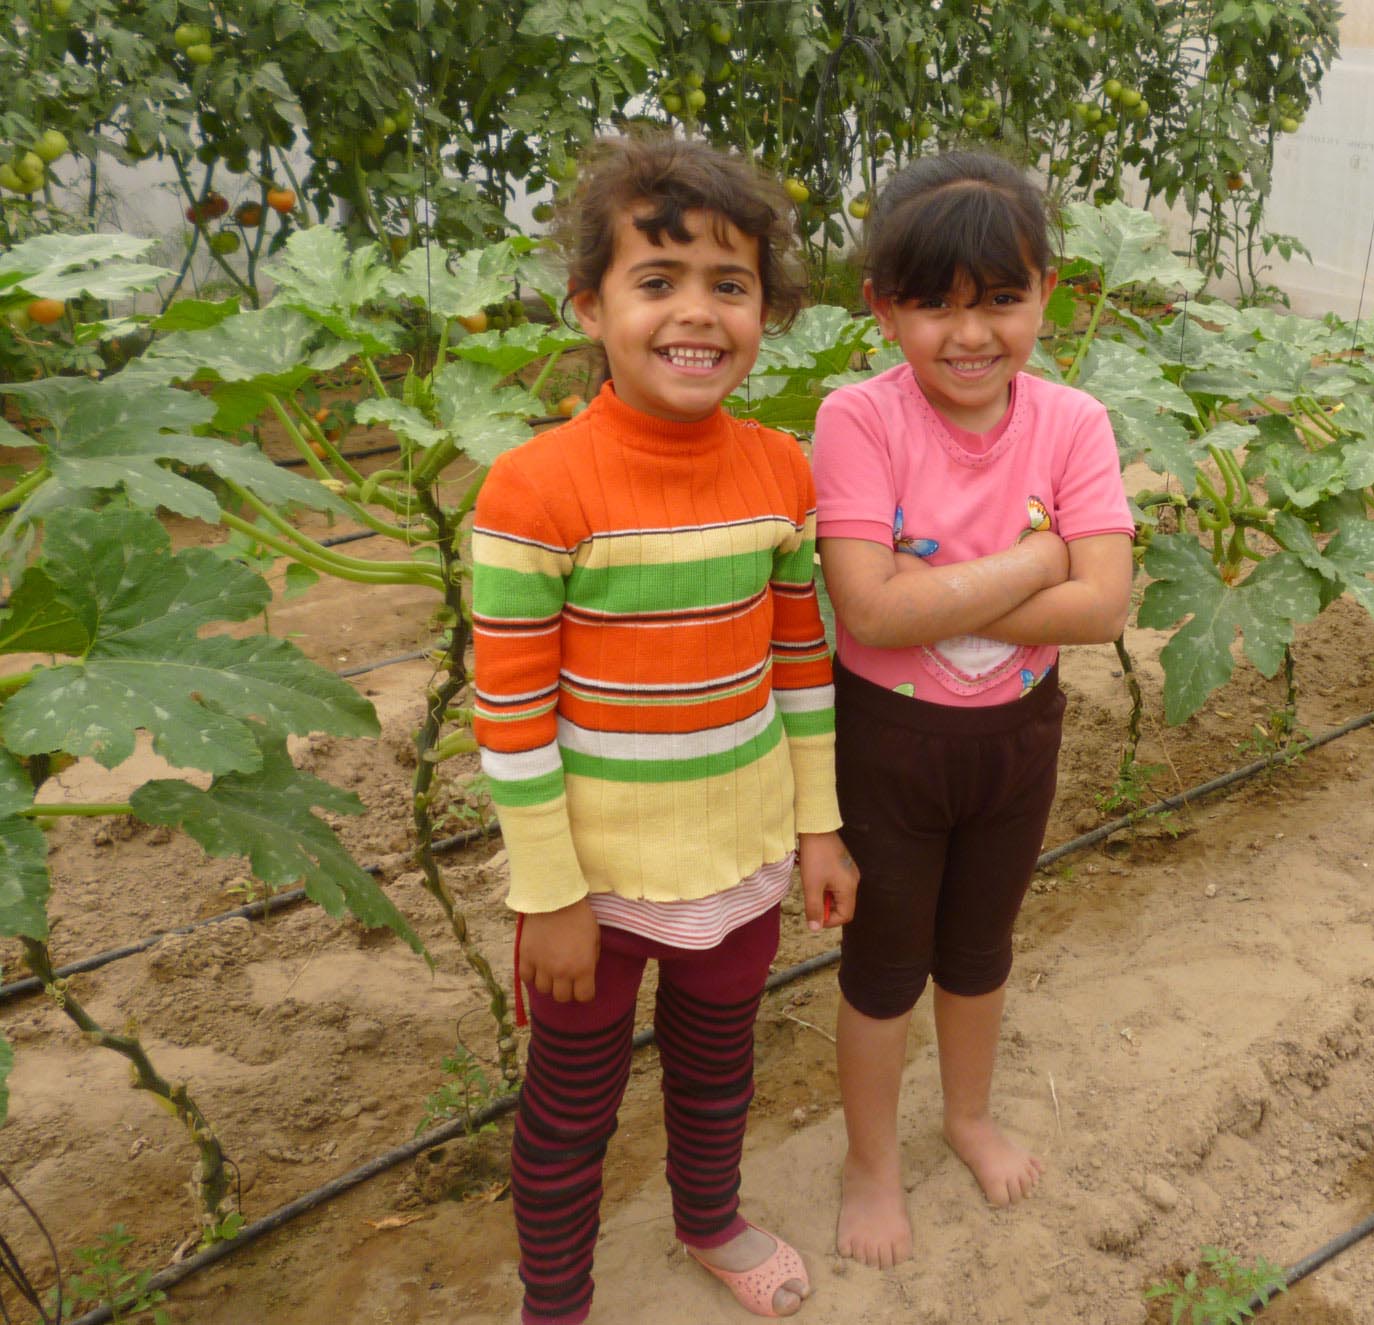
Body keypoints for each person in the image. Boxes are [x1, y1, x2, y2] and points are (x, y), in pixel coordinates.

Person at [470, 136, 859, 1322]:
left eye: (727, 284)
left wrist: (819, 829)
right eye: (657, 281)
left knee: (715, 1066)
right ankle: (555, 1302)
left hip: (735, 858)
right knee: (569, 1107)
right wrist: (547, 892)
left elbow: (801, 660)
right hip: (594, 877)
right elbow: (511, 712)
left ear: (765, 308)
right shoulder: (535, 490)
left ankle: (709, 1218)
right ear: (590, 305)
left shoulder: (777, 471)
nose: (696, 313)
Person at [810, 150, 1136, 1268]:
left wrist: (934, 593)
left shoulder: (1071, 420)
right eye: (932, 304)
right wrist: (1041, 552)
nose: (969, 333)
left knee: (980, 948)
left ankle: (964, 1114)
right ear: (880, 307)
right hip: (889, 747)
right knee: (883, 962)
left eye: (1000, 298)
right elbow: (866, 606)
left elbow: (1103, 607)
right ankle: (868, 1160)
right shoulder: (857, 420)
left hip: (1016, 742)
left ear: (1048, 289)